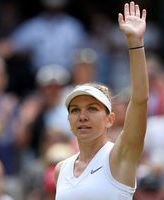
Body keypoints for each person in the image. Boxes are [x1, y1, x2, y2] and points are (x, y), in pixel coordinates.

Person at [54, 1, 148, 199]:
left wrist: (135, 42)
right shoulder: (60, 170)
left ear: (110, 119)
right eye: (75, 110)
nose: (82, 116)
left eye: (92, 109)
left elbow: (140, 99)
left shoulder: (121, 155)